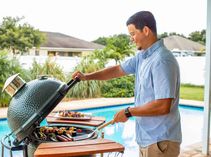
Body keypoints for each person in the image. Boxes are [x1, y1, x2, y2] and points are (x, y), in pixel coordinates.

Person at [72, 11, 181, 157]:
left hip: (161, 141)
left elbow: (163, 105)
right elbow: (117, 70)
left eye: (133, 34)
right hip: (148, 140)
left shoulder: (161, 60)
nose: (131, 39)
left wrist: (128, 112)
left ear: (146, 30)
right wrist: (86, 77)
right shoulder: (142, 57)